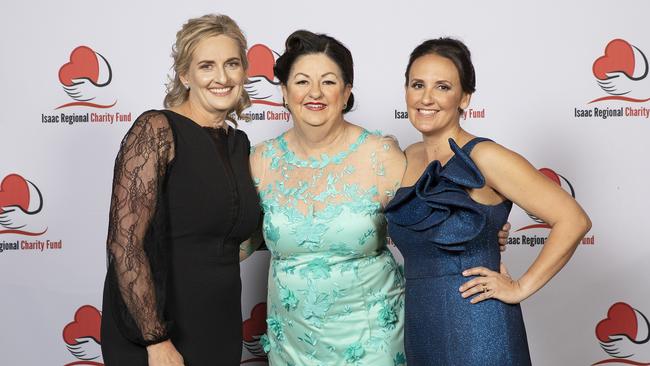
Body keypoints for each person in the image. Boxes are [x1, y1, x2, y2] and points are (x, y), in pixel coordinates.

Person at [243, 30, 512, 366]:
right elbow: (238, 242)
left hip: (373, 341)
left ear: (346, 93)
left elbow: (437, 214)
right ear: (284, 92)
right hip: (293, 345)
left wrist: (487, 232)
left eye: (328, 81)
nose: (315, 92)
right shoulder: (260, 160)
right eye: (301, 82)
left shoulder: (381, 155)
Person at [384, 38, 592, 365]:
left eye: (442, 87)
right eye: (417, 85)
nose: (426, 98)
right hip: (421, 327)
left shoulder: (486, 156)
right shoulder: (405, 158)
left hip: (479, 327)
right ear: (406, 91)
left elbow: (573, 219)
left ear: (464, 97)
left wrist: (520, 286)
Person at [100, 14, 261, 366]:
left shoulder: (241, 145)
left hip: (219, 326)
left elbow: (234, 237)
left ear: (244, 71)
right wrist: (155, 340)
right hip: (158, 333)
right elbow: (124, 243)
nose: (222, 77)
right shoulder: (157, 130)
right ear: (185, 75)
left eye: (232, 64)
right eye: (207, 66)